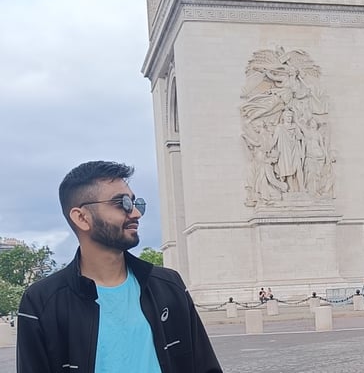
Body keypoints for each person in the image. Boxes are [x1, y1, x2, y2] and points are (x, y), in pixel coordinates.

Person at [16, 160, 222, 373]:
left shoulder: (169, 286)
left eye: (134, 202)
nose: (135, 213)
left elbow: (205, 367)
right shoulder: (41, 301)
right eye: (121, 203)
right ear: (81, 218)